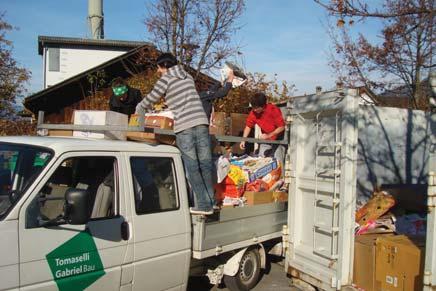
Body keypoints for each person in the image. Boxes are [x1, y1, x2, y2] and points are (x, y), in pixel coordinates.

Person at [135, 53, 215, 215]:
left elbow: (150, 99)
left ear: (164, 66)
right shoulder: (187, 76)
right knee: (206, 164)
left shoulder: (166, 79)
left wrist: (139, 111)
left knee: (192, 167)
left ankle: (203, 205)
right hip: (201, 122)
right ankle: (211, 202)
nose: (158, 71)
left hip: (184, 126)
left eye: (158, 67)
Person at [239, 92, 286, 169]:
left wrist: (268, 135)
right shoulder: (253, 113)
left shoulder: (273, 110)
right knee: (261, 161)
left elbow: (282, 127)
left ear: (263, 106)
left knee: (278, 162)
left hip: (279, 139)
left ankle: (280, 179)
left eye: (256, 108)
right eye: (253, 107)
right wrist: (243, 140)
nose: (254, 110)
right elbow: (248, 126)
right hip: (266, 139)